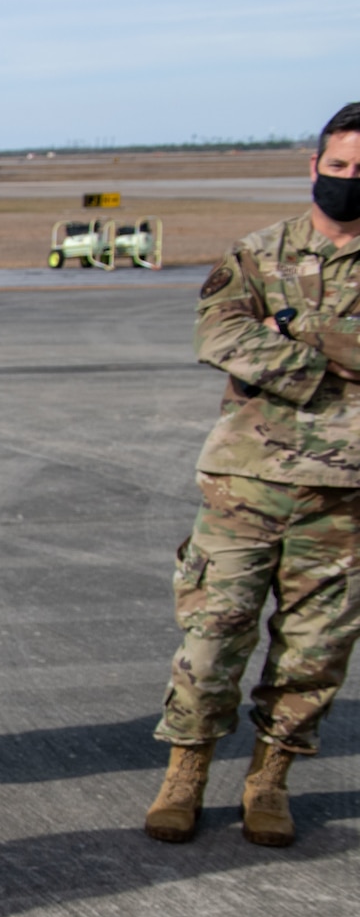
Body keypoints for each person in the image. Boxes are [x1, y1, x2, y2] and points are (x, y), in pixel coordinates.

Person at [145, 102, 360, 848]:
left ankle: (270, 776)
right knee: (211, 634)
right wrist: (321, 362)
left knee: (315, 649)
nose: (348, 180)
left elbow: (253, 344)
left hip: (345, 497)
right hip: (244, 483)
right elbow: (218, 334)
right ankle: (186, 769)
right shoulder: (259, 253)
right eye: (338, 167)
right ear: (314, 167)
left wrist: (292, 333)